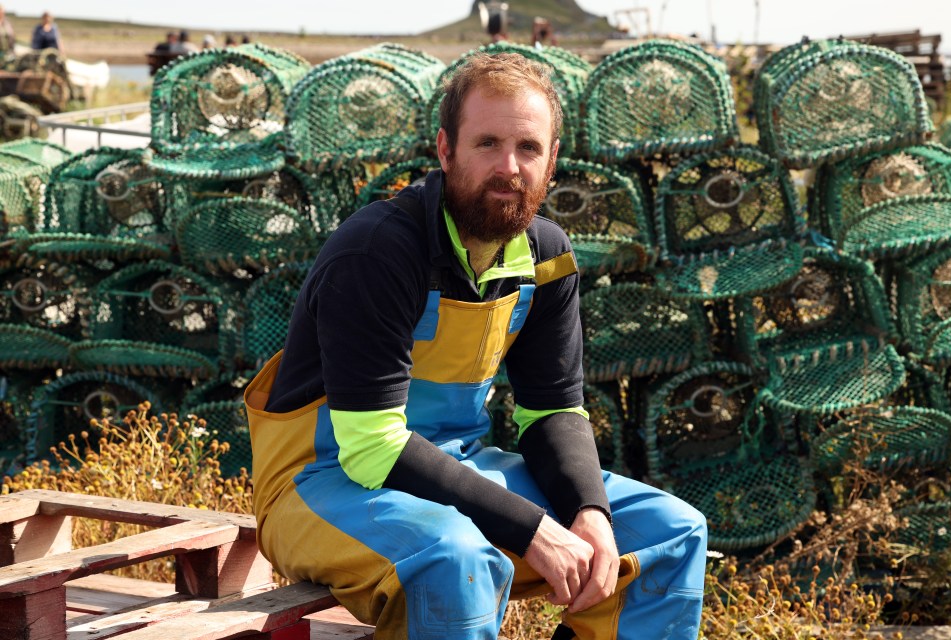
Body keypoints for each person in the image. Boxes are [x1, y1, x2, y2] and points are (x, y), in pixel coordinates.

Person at [244, 52, 707, 640]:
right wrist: (534, 529)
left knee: (671, 531)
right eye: (486, 143)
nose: (508, 167)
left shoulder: (546, 255)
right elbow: (370, 449)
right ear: (445, 150)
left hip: (454, 468)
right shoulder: (377, 252)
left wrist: (589, 511)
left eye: (528, 148)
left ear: (552, 160)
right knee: (457, 558)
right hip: (322, 484)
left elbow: (555, 411)